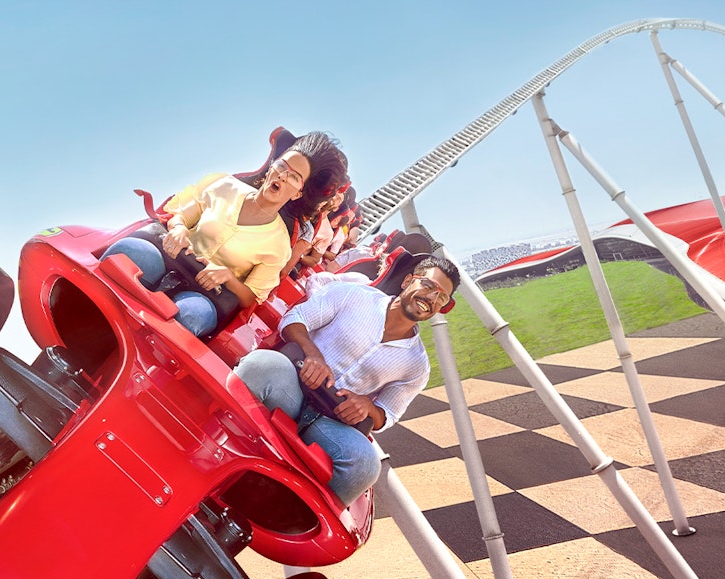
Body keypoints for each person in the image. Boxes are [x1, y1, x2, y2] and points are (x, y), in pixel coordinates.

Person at [235, 255, 461, 504]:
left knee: (365, 466)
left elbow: (388, 414)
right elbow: (295, 319)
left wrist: (368, 407)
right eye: (428, 286)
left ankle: (283, 514)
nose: (431, 298)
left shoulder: (417, 365)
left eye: (441, 297)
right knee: (260, 365)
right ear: (408, 280)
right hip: (292, 387)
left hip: (329, 422)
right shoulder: (353, 295)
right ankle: (219, 449)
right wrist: (313, 354)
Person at [101, 131, 348, 336]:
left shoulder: (280, 245)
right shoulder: (224, 186)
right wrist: (177, 229)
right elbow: (180, 213)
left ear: (297, 193)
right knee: (129, 253)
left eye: (293, 177)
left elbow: (251, 297)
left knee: (190, 318)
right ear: (272, 166)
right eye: (282, 166)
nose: (283, 176)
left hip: (204, 293)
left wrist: (228, 277)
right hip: (169, 255)